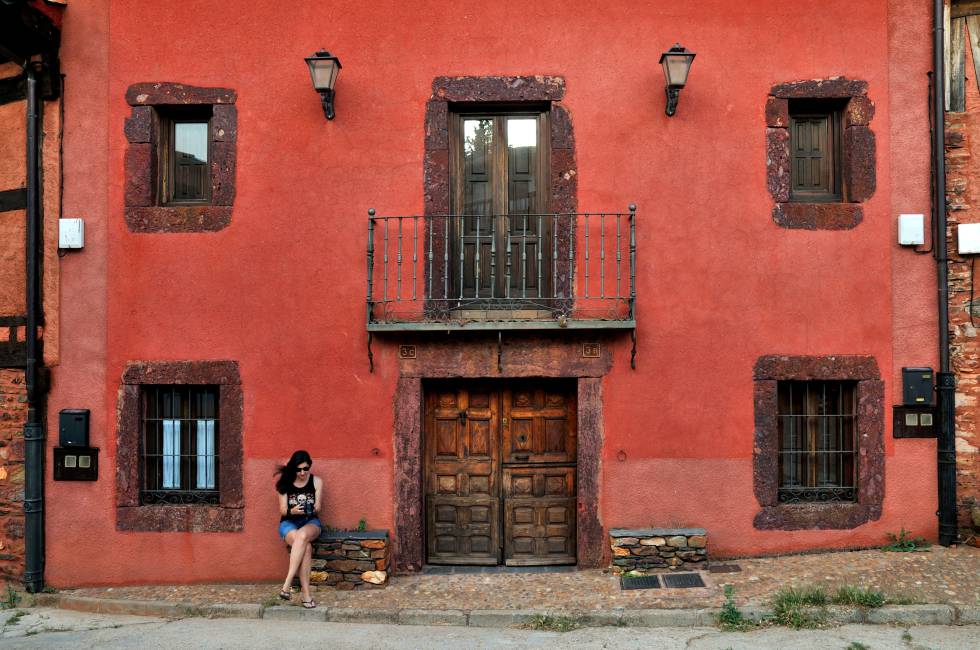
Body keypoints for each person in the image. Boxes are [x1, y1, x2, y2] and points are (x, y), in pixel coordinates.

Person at [275, 450, 323, 608]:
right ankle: (306, 595)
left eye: (306, 468)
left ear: (310, 466)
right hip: (289, 523)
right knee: (306, 547)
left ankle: (287, 584)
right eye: (299, 469)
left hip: (310, 522)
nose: (302, 472)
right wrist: (292, 511)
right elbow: (282, 510)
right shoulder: (285, 483)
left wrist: (314, 507)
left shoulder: (316, 481)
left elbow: (318, 507)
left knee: (303, 535)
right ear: (293, 468)